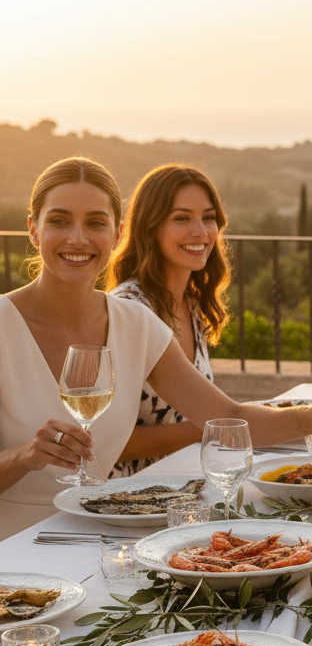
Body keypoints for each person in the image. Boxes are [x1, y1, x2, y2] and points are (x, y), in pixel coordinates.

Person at [0, 157, 312, 538]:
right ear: (33, 230)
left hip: (98, 537)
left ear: (118, 233)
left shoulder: (135, 324)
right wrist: (24, 457)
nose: (78, 238)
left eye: (95, 223)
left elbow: (227, 416)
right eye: (59, 220)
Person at [106, 163, 230, 475]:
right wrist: (210, 427)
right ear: (151, 228)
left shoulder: (192, 304)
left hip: (182, 484)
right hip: (126, 499)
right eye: (181, 218)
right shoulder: (128, 310)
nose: (201, 232)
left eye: (209, 218)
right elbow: (108, 441)